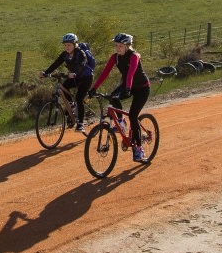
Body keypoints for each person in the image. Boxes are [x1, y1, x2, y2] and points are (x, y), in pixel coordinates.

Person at [89, 32, 152, 161]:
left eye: (120, 46)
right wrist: (94, 88)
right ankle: (121, 122)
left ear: (127, 46)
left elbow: (131, 73)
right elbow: (105, 73)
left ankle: (139, 149)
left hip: (142, 88)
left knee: (133, 115)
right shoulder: (115, 57)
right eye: (116, 45)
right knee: (113, 97)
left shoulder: (134, 56)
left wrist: (128, 88)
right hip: (128, 85)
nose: (118, 48)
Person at [39, 32, 96, 131]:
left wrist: (75, 73)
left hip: (86, 78)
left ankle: (80, 124)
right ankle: (72, 106)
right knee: (64, 86)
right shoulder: (65, 54)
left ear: (75, 44)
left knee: (79, 98)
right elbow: (56, 64)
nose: (67, 47)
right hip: (75, 77)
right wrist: (46, 73)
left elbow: (82, 64)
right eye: (65, 45)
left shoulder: (80, 53)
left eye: (69, 45)